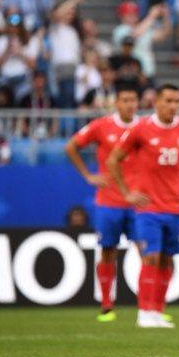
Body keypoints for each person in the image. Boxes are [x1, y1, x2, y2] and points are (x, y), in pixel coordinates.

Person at [107, 84, 179, 328]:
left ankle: (157, 311)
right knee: (151, 257)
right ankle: (143, 312)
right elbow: (113, 159)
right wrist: (127, 192)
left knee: (167, 260)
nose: (173, 105)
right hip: (149, 208)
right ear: (156, 102)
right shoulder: (141, 129)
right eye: (168, 100)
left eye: (177, 101)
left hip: (177, 208)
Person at [65, 83, 141, 322]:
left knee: (147, 252)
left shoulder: (145, 127)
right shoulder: (101, 126)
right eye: (125, 100)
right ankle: (107, 304)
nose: (130, 104)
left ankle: (149, 305)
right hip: (109, 200)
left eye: (133, 100)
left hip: (139, 201)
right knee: (108, 250)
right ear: (116, 103)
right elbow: (71, 147)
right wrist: (88, 175)